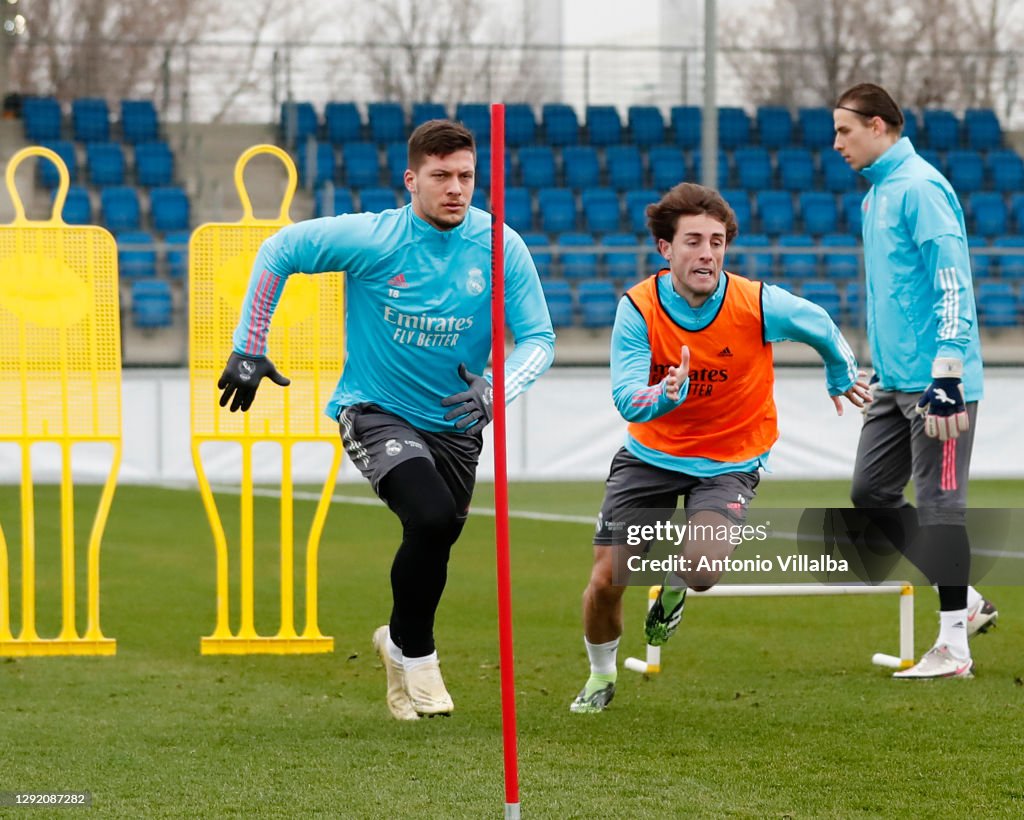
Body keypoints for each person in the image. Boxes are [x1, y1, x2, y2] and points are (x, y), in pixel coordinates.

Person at [217, 119, 555, 719]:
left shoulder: (501, 246)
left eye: (466, 176)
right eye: (441, 176)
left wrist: (496, 390)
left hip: (457, 423)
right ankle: (420, 655)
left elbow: (538, 337)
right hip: (375, 409)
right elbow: (280, 250)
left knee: (438, 534)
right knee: (428, 516)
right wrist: (250, 343)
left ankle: (395, 646)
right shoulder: (374, 238)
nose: (456, 188)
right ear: (412, 180)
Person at [571, 182, 872, 713]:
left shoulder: (757, 302)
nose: (706, 253)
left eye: (716, 241)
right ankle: (600, 675)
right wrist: (662, 394)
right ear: (666, 249)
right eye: (692, 241)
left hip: (730, 461)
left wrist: (839, 373)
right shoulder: (638, 308)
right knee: (606, 579)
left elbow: (821, 324)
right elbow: (625, 397)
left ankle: (675, 587)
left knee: (703, 569)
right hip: (650, 457)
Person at [833, 83, 996, 680]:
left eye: (844, 131)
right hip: (894, 381)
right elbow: (895, 294)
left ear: (878, 125)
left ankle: (954, 647)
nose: (836, 144)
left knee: (939, 509)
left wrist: (948, 372)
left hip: (939, 385)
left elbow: (953, 282)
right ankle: (969, 601)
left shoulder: (921, 188)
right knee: (870, 496)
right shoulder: (876, 196)